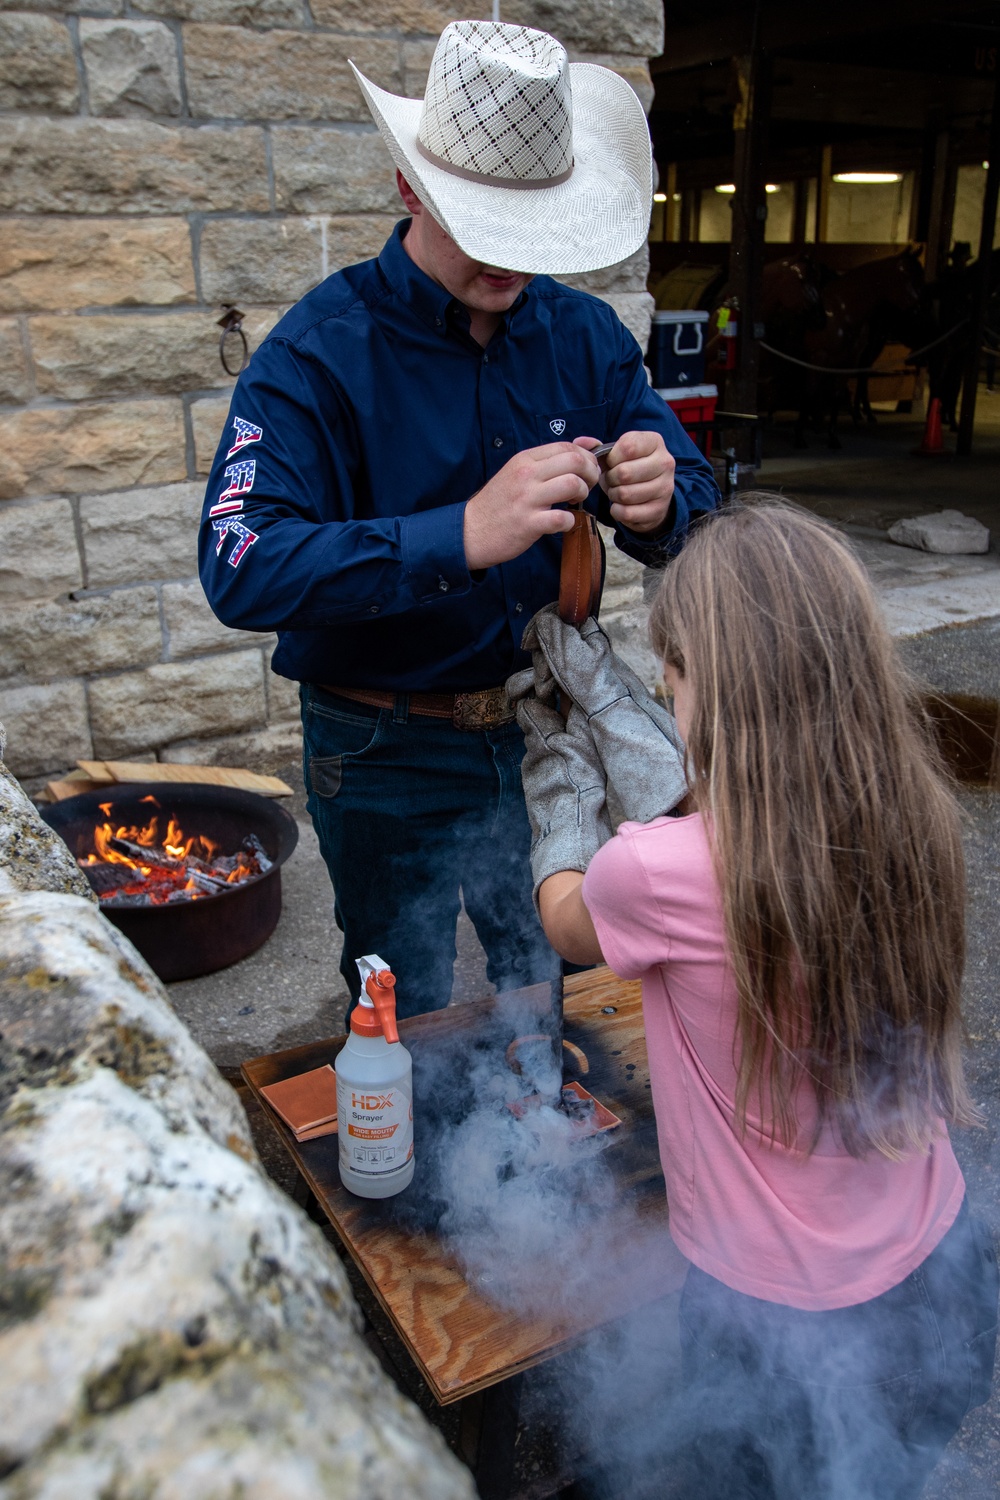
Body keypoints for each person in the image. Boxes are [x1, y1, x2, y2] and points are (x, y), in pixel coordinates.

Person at [199, 20, 719, 1018]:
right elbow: (239, 563)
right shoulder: (317, 354)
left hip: (551, 726)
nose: (514, 263)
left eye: (535, 229)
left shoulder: (585, 337)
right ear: (409, 189)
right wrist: (459, 534)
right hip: (383, 744)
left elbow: (699, 519)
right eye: (483, 224)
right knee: (404, 994)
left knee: (558, 979)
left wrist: (662, 505)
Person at [512, 498, 998, 1500]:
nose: (661, 688)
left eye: (670, 674)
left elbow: (569, 915)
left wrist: (561, 769)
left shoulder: (651, 875)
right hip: (946, 1277)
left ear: (709, 688)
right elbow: (727, 810)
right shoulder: (913, 810)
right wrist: (620, 715)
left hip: (782, 1325)